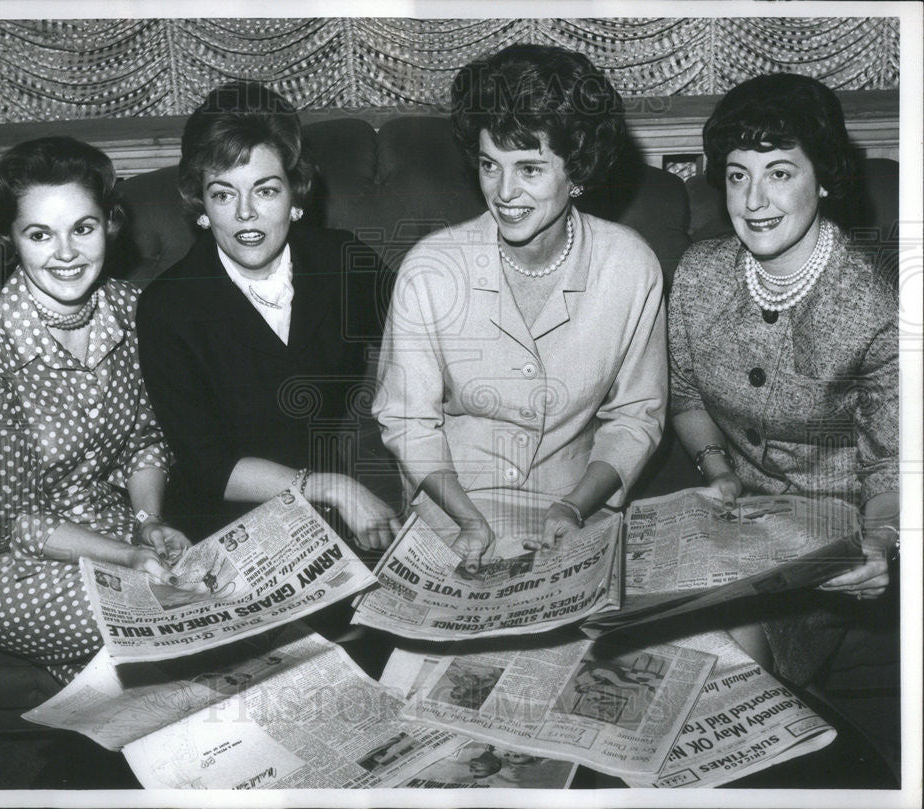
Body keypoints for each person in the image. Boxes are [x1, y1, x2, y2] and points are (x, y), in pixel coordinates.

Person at [373, 44, 667, 572]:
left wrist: (575, 505)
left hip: (573, 511)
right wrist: (467, 520)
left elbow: (636, 416)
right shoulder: (430, 270)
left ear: (576, 170)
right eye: (491, 165)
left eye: (530, 168)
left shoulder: (630, 266)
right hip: (454, 513)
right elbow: (408, 422)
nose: (504, 192)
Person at [668, 73, 899, 685]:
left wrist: (879, 542)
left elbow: (891, 466)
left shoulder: (879, 306)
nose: (753, 201)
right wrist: (718, 471)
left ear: (822, 177)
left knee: (724, 654)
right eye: (738, 174)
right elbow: (686, 396)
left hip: (831, 531)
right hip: (732, 519)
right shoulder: (699, 275)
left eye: (779, 172)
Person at [0, 137, 190, 683]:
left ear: (109, 224)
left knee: (202, 593)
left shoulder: (131, 310)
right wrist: (125, 558)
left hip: (108, 522)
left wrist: (149, 524)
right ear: (11, 238)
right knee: (162, 611)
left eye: (83, 227)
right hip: (0, 554)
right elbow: (8, 522)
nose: (66, 253)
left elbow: (146, 438)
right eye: (39, 234)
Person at [136, 81, 401, 550]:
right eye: (222, 194)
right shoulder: (168, 306)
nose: (245, 214)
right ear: (201, 206)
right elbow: (209, 467)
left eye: (265, 190)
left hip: (329, 517)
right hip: (220, 523)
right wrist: (331, 486)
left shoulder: (341, 261)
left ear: (295, 197)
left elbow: (424, 343)